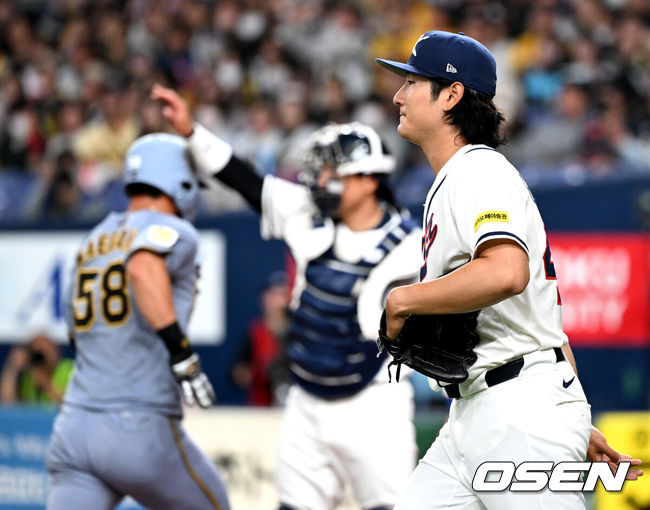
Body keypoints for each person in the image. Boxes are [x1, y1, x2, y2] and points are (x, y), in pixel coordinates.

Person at [375, 30, 643, 509]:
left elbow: (507, 272)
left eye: (412, 82)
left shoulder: (478, 170)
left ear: (451, 94)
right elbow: (545, 321)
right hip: (485, 410)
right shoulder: (458, 177)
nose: (399, 95)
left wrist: (402, 300)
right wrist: (572, 415)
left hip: (517, 412)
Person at [152, 83, 421, 510]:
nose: (321, 180)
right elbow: (243, 179)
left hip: (373, 403)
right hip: (305, 400)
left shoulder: (411, 245)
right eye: (321, 170)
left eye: (334, 172)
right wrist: (191, 132)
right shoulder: (306, 213)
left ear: (369, 179)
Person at [45, 133, 230, 510]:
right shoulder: (175, 230)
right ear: (179, 181)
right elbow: (143, 267)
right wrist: (181, 353)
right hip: (136, 423)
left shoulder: (94, 238)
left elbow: (74, 329)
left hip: (74, 426)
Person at [231, 271, 291, 406]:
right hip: (262, 404)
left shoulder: (297, 332)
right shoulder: (255, 332)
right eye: (273, 295)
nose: (276, 300)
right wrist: (249, 373)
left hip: (291, 401)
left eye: (282, 295)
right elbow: (238, 371)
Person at [0, 333, 73, 404]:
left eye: (45, 350)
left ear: (56, 351)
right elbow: (7, 403)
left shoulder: (69, 369)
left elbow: (73, 404)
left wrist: (46, 384)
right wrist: (13, 368)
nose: (41, 358)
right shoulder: (29, 376)